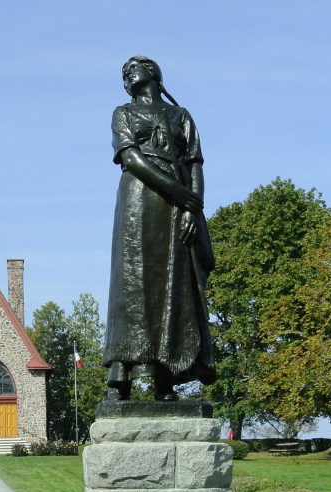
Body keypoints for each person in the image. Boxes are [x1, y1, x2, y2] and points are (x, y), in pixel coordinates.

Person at [103, 56, 216, 401]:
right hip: (139, 198)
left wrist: (192, 209)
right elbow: (132, 159)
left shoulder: (180, 116)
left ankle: (164, 379)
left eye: (133, 67)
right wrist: (182, 194)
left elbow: (195, 164)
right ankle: (120, 376)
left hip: (177, 207)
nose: (127, 73)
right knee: (133, 285)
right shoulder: (122, 113)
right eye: (124, 72)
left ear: (152, 73)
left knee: (174, 286)